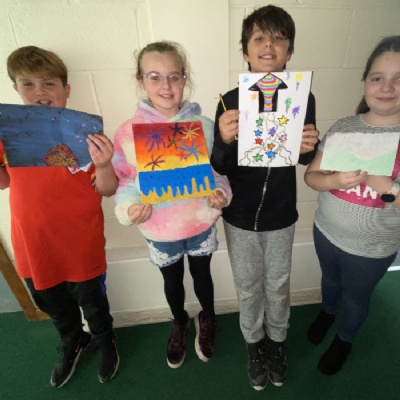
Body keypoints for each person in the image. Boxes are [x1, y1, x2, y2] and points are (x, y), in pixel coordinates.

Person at [211, 5, 319, 391]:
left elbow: (302, 158)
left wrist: (309, 146)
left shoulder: (302, 96)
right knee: (247, 284)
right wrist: (223, 140)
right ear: (246, 51)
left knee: (278, 283)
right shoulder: (229, 100)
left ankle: (277, 342)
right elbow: (219, 165)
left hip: (280, 213)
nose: (268, 45)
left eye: (278, 38)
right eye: (259, 38)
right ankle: (254, 344)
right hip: (239, 215)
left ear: (289, 50)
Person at [0, 46, 119, 387]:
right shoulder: (6, 136)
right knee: (51, 303)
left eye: (49, 83)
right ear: (16, 89)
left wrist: (104, 164)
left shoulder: (87, 134)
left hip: (80, 240)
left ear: (66, 90)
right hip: (33, 242)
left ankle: (104, 340)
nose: (39, 92)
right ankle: (73, 341)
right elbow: (4, 182)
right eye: (28, 84)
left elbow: (107, 189)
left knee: (93, 303)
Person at [112, 41, 232, 369]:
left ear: (184, 80)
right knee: (172, 280)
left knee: (203, 275)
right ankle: (179, 321)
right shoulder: (128, 133)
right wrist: (129, 209)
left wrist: (221, 194)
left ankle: (208, 318)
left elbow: (217, 173)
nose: (165, 86)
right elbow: (125, 182)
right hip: (160, 230)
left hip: (200, 223)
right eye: (154, 77)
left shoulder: (204, 126)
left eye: (174, 77)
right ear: (141, 81)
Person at [305, 35, 400, 375]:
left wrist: (386, 185)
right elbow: (312, 177)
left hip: (371, 248)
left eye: (398, 79)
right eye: (377, 77)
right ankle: (327, 312)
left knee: (355, 298)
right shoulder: (344, 128)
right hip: (326, 232)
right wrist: (335, 181)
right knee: (330, 282)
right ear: (365, 82)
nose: (386, 87)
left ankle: (345, 338)